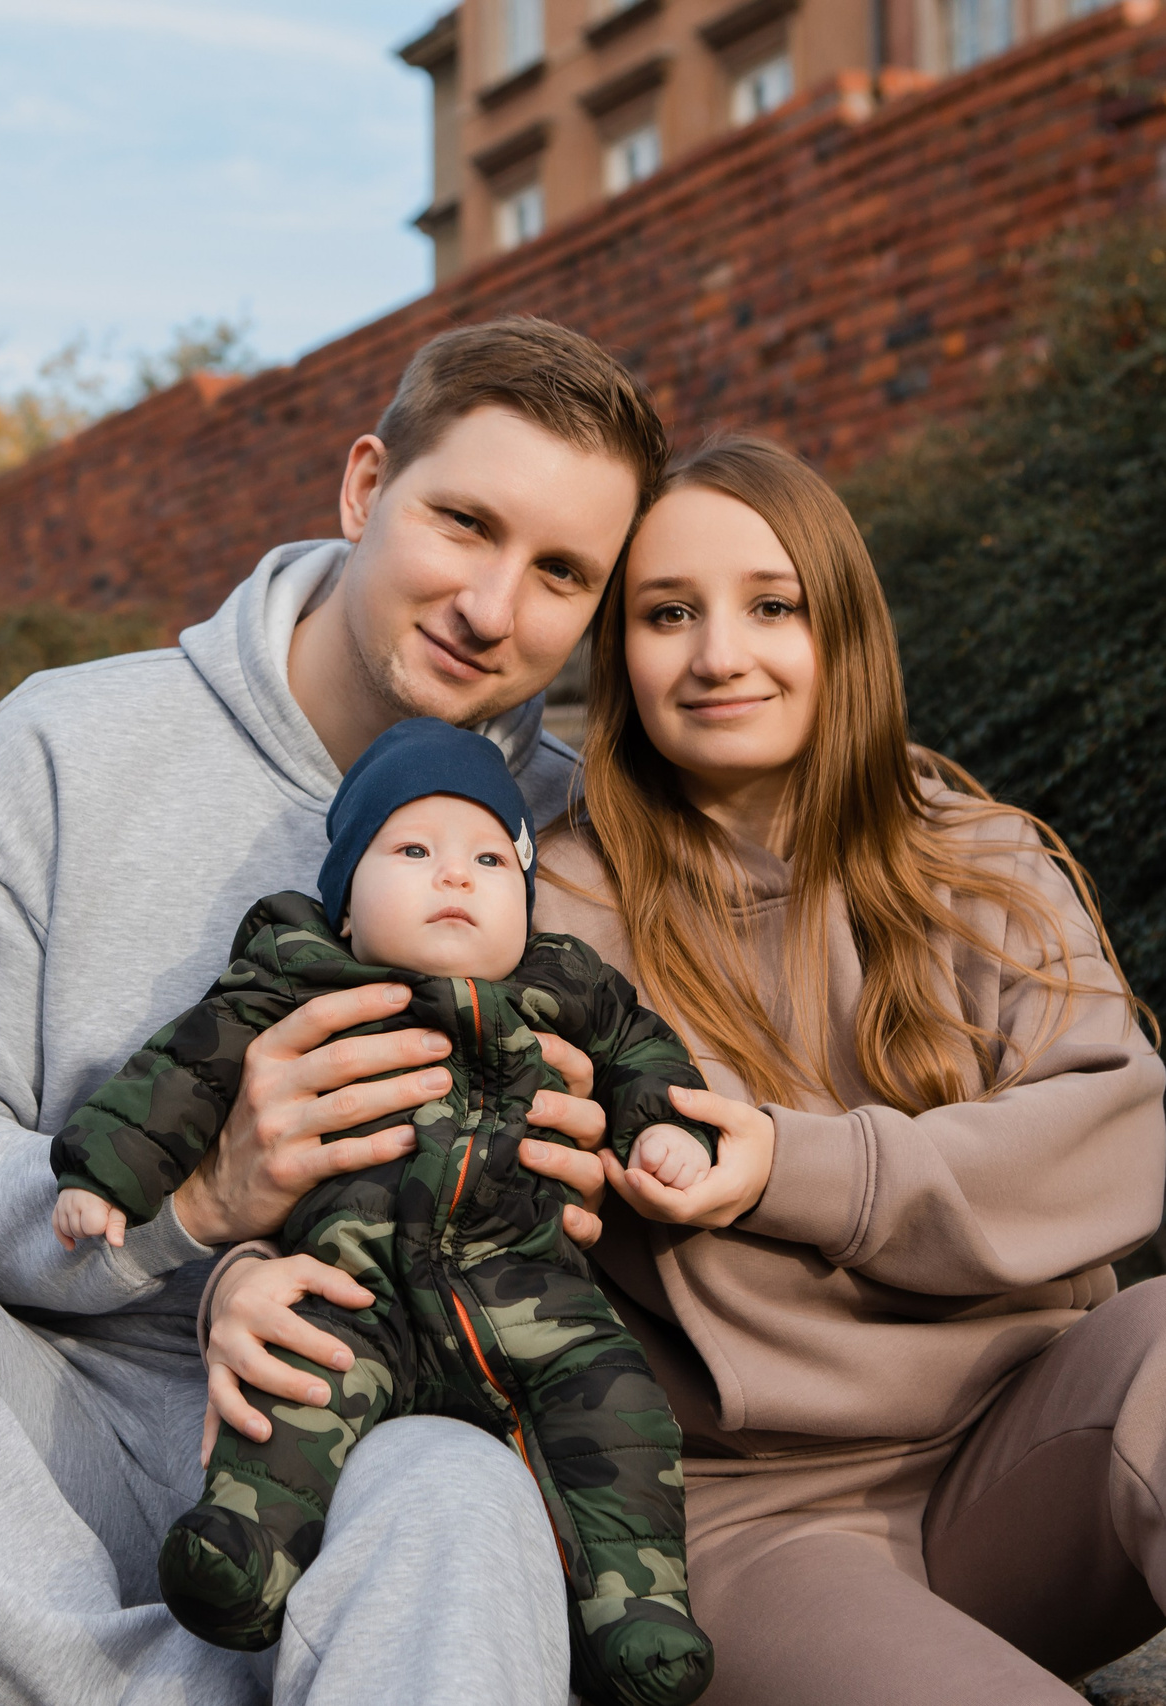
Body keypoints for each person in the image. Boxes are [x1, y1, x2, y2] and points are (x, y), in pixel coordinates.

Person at [0, 317, 665, 1706]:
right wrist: (197, 1203)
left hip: (377, 1428)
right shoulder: (62, 745)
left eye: (560, 573)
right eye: (462, 522)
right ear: (363, 489)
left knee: (456, 1495)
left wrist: (609, 1168)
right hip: (50, 1425)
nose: (489, 605)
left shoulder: (581, 834)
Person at [204, 435, 1166, 1706]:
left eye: (773, 605)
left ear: (848, 631)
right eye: (669, 613)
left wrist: (800, 1166)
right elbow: (400, 1141)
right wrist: (246, 1265)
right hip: (747, 1518)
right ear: (619, 654)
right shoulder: (542, 910)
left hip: (1029, 1439)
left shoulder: (979, 857)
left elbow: (1123, 1132)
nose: (720, 653)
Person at [53, 717, 716, 1704]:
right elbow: (183, 1068)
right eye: (413, 850)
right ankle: (245, 1552)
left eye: (491, 857)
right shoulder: (294, 974)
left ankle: (639, 1608)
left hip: (528, 1291)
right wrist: (106, 1170)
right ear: (348, 901)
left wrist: (664, 1127)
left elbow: (641, 1053)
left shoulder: (566, 984)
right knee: (290, 1389)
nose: (456, 875)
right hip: (351, 1286)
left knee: (617, 1408)